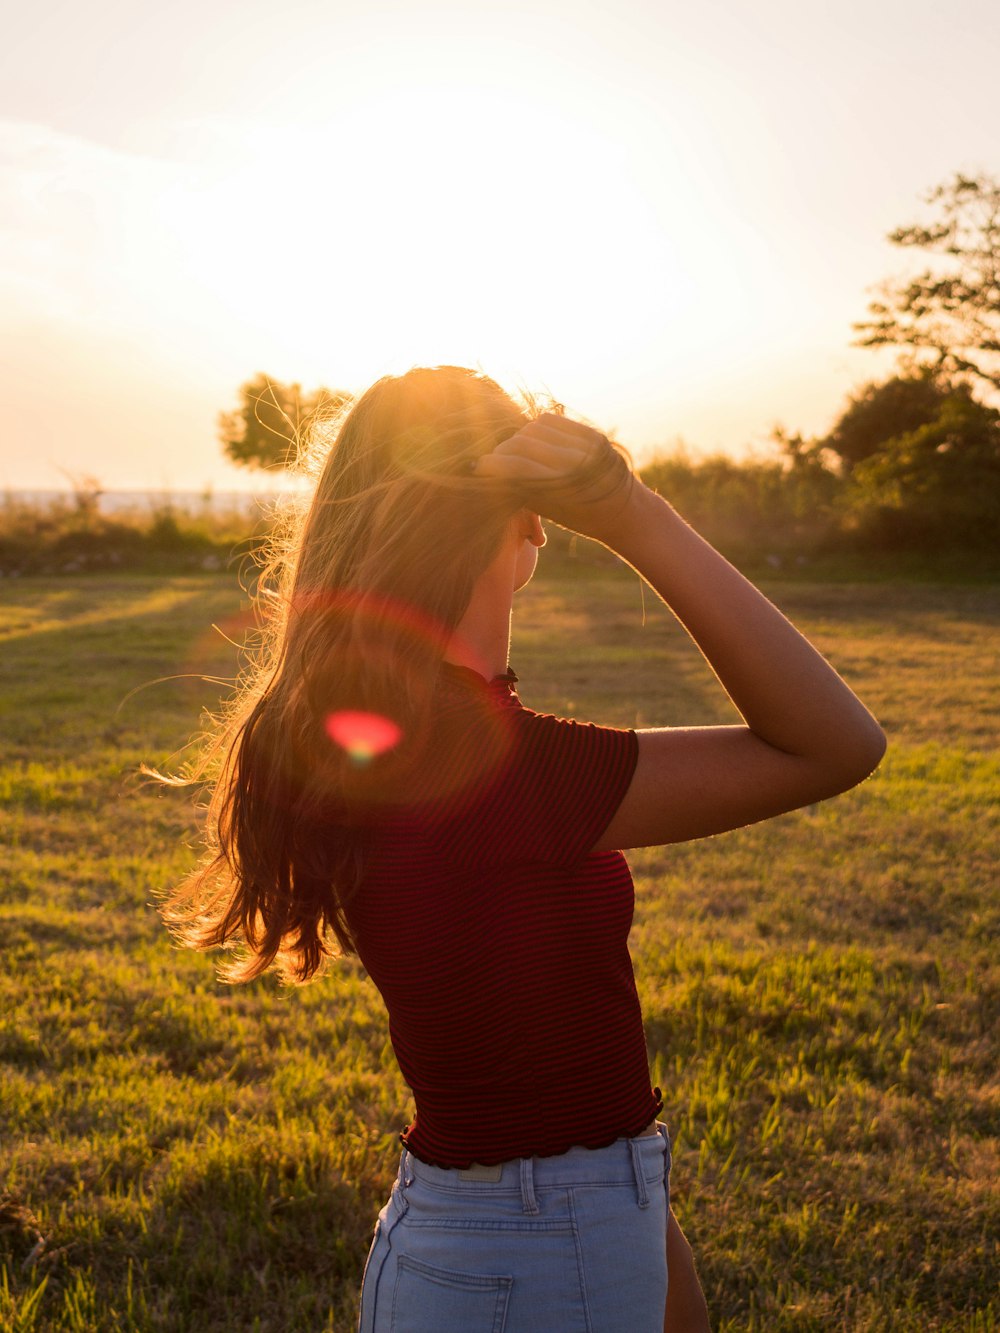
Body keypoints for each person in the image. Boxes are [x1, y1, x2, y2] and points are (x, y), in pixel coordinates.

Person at [159, 366, 886, 1332]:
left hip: (504, 1231)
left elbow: (553, 1065)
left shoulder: (396, 726)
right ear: (532, 523)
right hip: (534, 1251)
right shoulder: (485, 763)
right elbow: (836, 742)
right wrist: (636, 516)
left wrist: (640, 1228)